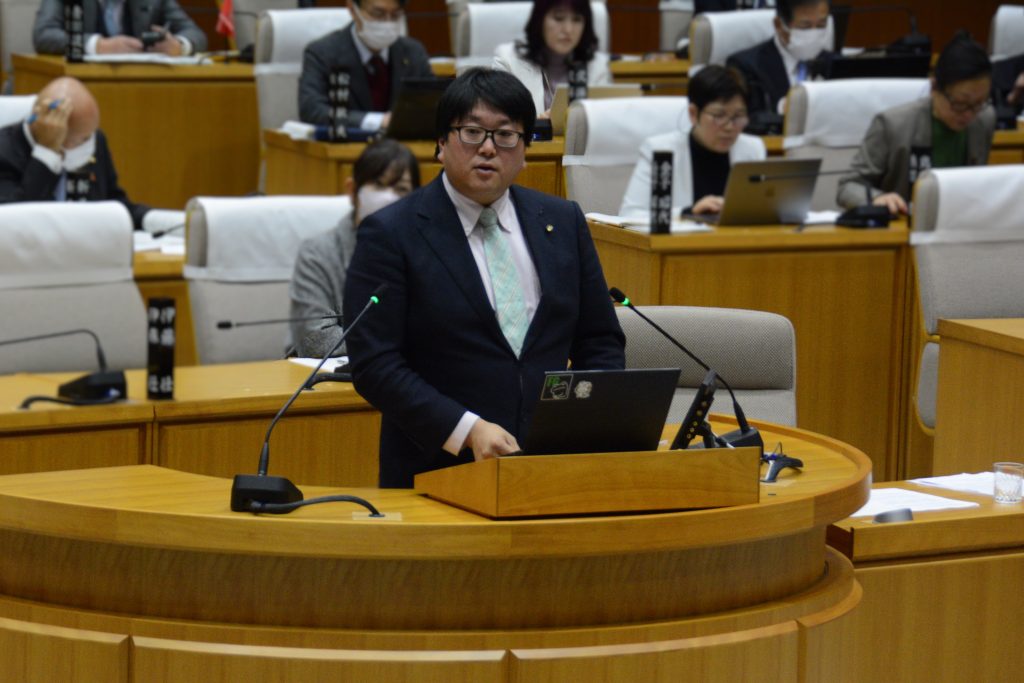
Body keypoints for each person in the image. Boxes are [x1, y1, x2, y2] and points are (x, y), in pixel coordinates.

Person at [342, 68, 625, 488]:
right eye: (472, 132)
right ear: (441, 143)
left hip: (551, 468)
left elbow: (599, 341)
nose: (489, 148)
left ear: (525, 151)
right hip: (437, 473)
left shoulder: (563, 222)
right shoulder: (391, 234)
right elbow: (374, 363)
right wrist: (467, 429)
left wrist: (581, 424)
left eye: (506, 135)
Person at [837, 34, 996, 216]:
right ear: (934, 88)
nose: (969, 114)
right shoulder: (892, 125)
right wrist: (877, 198)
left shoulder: (984, 119)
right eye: (960, 104)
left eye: (979, 103)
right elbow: (847, 187)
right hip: (904, 225)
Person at [289, 139, 420, 356]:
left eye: (401, 189)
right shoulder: (317, 254)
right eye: (378, 185)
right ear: (352, 190)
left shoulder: (425, 250)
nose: (389, 197)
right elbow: (316, 340)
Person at [0, 77, 149, 230]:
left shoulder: (96, 140)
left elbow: (113, 204)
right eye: (81, 140)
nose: (89, 144)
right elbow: (16, 224)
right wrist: (47, 153)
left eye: (90, 136)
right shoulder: (5, 153)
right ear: (49, 130)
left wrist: (151, 219)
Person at [619, 65, 766, 218]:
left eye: (738, 116)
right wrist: (687, 212)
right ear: (693, 113)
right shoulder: (660, 151)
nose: (729, 127)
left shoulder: (752, 149)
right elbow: (630, 215)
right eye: (719, 116)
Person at [299, 0, 433, 131]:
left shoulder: (413, 52)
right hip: (348, 143)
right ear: (352, 9)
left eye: (395, 15)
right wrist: (377, 121)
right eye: (378, 14)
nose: (387, 23)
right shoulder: (322, 53)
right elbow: (312, 110)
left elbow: (433, 104)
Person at [492, 0, 611, 118]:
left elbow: (602, 120)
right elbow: (500, 119)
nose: (568, 30)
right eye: (559, 18)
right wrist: (538, 123)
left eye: (577, 19)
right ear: (540, 20)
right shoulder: (508, 60)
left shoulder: (598, 66)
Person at [726, 0, 833, 117]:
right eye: (805, 27)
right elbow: (749, 119)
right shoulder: (746, 66)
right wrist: (781, 109)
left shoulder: (833, 63)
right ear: (779, 25)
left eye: (821, 25)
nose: (814, 34)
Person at [33, 0, 207, 56]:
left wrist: (179, 46)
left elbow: (195, 34)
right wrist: (98, 46)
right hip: (78, 85)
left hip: (139, 88)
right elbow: (43, 35)